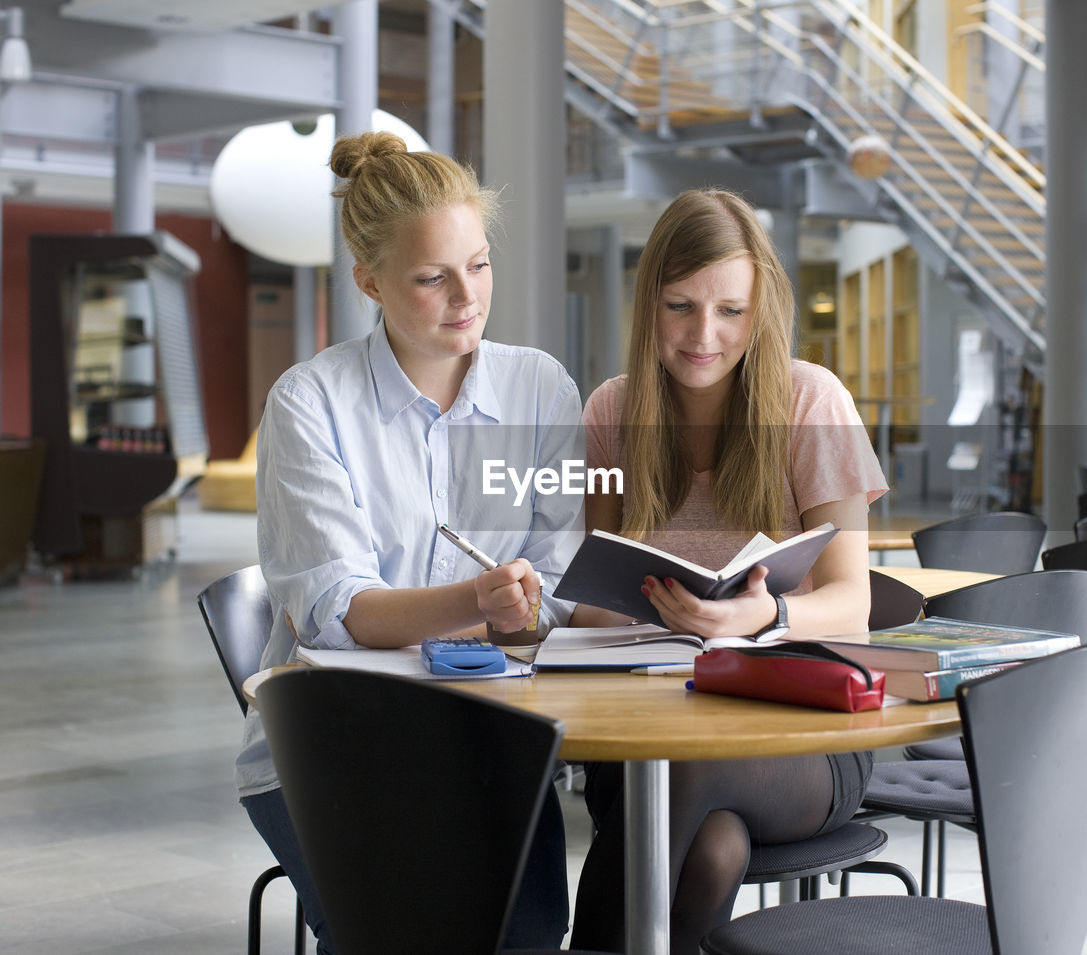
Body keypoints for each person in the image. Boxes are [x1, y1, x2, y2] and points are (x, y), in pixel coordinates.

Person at [234, 131, 583, 953]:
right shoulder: (309, 403)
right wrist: (479, 604)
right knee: (404, 932)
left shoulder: (540, 387)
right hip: (336, 744)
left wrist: (537, 606)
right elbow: (335, 613)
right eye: (432, 278)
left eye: (479, 264)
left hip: (494, 738)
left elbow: (562, 576)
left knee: (529, 935)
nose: (467, 296)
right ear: (370, 281)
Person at [568, 188, 887, 954]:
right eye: (680, 306)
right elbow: (590, 603)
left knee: (686, 778)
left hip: (802, 738)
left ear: (760, 309)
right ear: (649, 303)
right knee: (712, 848)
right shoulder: (613, 414)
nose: (703, 335)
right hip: (654, 726)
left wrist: (762, 617)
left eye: (730, 311)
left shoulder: (809, 401)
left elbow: (854, 602)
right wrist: (622, 606)